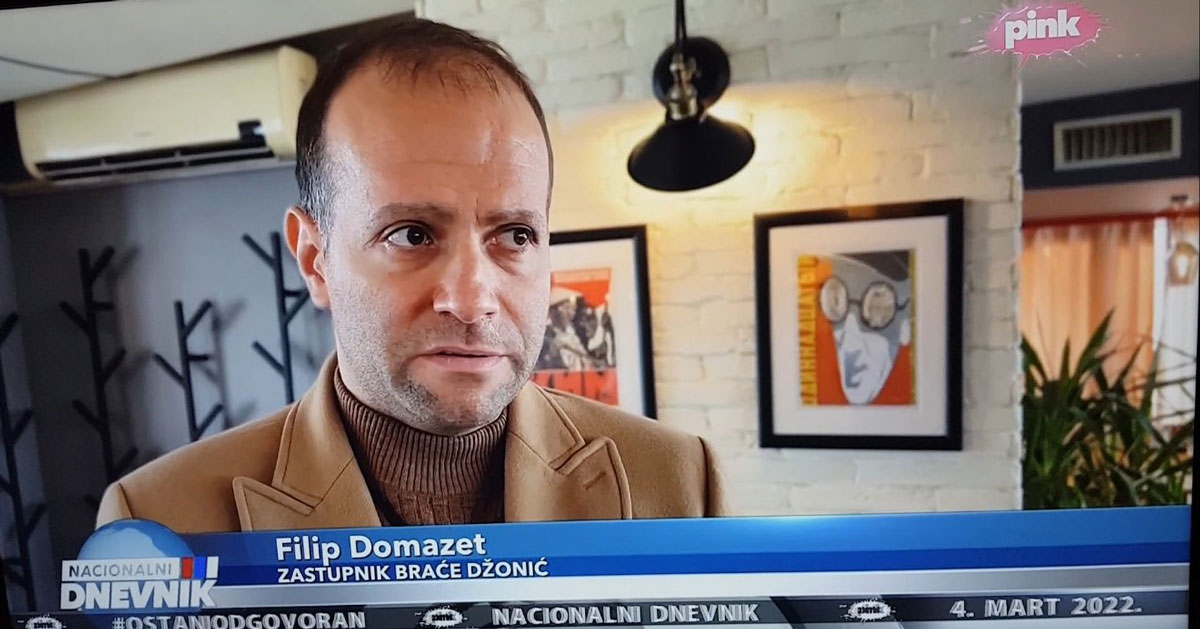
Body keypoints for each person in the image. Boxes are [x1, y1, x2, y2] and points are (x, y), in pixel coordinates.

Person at [96, 18, 727, 533]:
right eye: (412, 235)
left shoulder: (678, 482)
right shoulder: (159, 521)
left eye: (515, 235)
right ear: (314, 258)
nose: (473, 300)